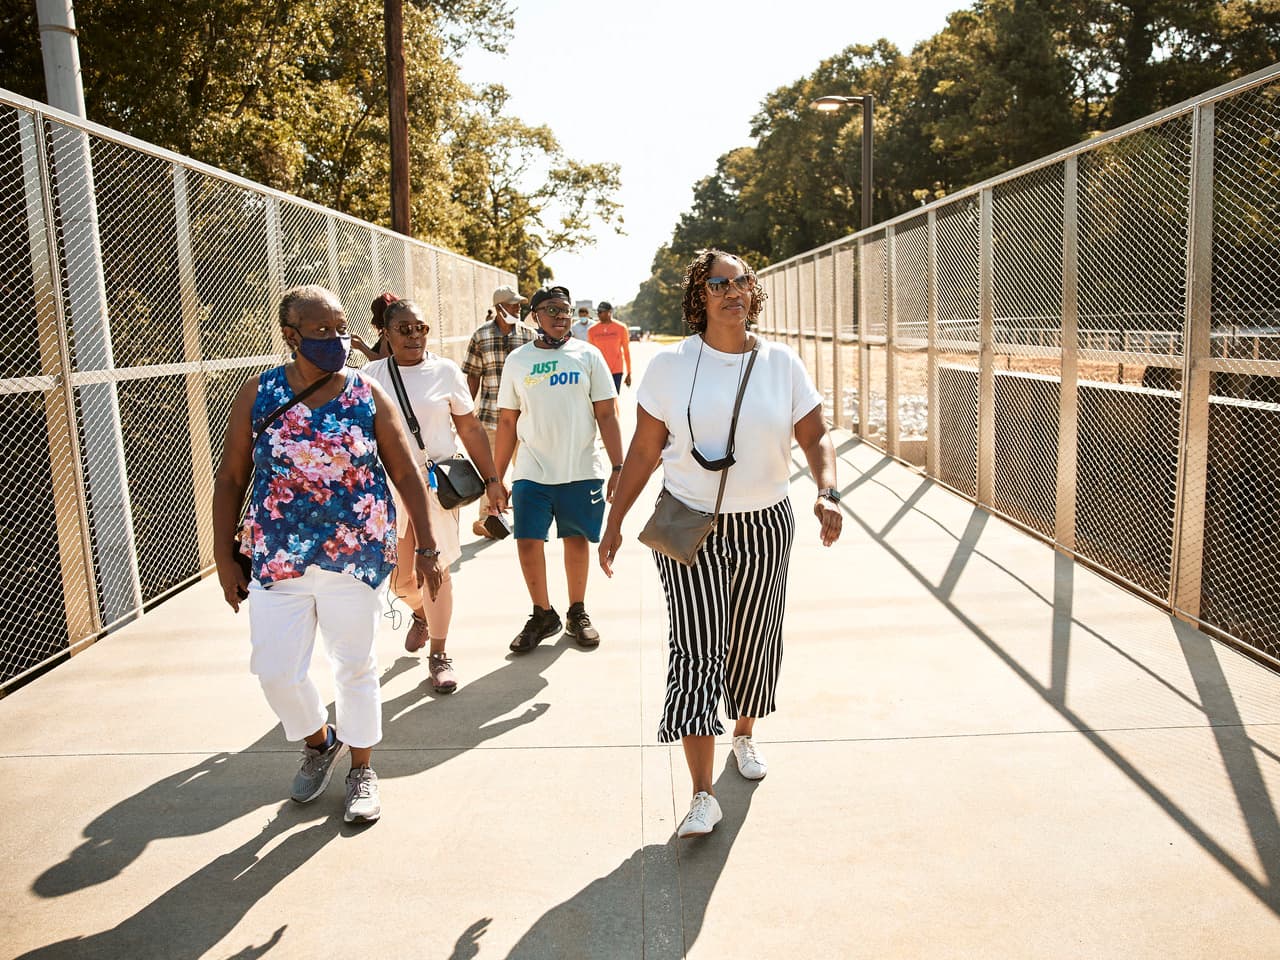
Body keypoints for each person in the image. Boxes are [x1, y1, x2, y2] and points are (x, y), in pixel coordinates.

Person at [597, 250, 842, 839]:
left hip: (765, 523)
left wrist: (828, 491)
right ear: (699, 296)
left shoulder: (781, 363)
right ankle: (702, 795)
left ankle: (745, 734)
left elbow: (814, 435)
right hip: (689, 524)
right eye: (719, 283)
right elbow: (643, 453)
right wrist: (614, 522)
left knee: (754, 637)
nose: (733, 291)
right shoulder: (671, 367)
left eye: (742, 282)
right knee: (696, 648)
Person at [213, 285, 445, 825]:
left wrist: (428, 546)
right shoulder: (258, 393)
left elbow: (406, 471)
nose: (337, 341)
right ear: (290, 336)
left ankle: (362, 768)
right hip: (278, 557)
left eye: (341, 330)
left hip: (354, 553)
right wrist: (225, 555)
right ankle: (320, 740)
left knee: (355, 666)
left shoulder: (365, 394)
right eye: (322, 332)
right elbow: (230, 477)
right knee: (274, 669)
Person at [364, 298, 509, 694]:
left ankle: (439, 654)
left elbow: (471, 429)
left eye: (421, 328)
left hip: (434, 487)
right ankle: (421, 615)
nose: (414, 336)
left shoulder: (445, 372)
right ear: (386, 333)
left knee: (436, 569)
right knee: (399, 579)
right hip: (388, 488)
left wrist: (492, 479)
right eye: (404, 329)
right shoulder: (369, 375)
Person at [495, 285, 624, 653]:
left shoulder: (588, 355)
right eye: (551, 309)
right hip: (532, 469)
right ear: (534, 316)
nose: (560, 315)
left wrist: (618, 466)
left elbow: (606, 414)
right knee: (527, 541)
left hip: (581, 466)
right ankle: (542, 613)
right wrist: (497, 478)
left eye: (564, 309)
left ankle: (577, 612)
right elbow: (507, 422)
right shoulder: (518, 360)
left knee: (576, 539)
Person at [463, 286, 536, 539]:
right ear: (499, 308)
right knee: (492, 472)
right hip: (492, 419)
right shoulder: (480, 336)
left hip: (526, 418)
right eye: (513, 305)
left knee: (527, 470)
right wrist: (463, 413)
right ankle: (488, 519)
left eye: (518, 304)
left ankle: (525, 512)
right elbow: (472, 376)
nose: (518, 308)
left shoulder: (529, 336)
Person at [586, 301, 632, 393]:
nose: (598, 314)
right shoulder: (592, 330)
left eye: (601, 312)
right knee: (600, 400)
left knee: (614, 397)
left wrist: (629, 372)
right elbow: (590, 354)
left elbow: (626, 351)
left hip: (616, 370)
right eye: (598, 312)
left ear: (609, 312)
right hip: (599, 370)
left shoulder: (621, 328)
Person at [351, 291, 396, 362]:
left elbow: (382, 361)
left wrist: (360, 346)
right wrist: (362, 343)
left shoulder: (388, 334)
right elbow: (377, 354)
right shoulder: (393, 331)